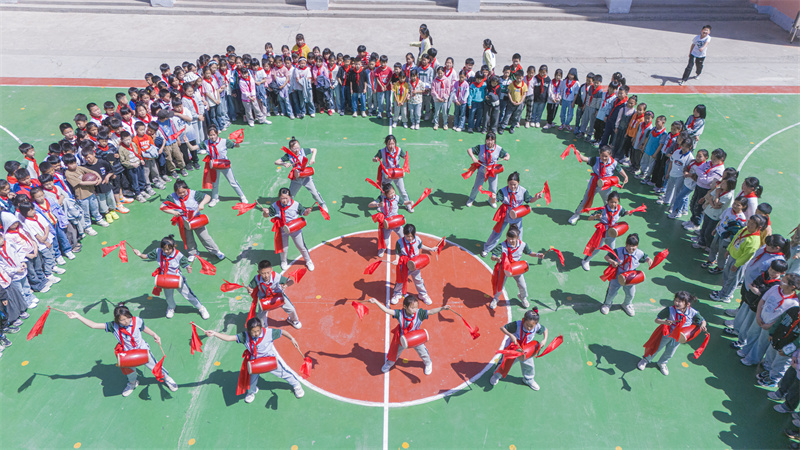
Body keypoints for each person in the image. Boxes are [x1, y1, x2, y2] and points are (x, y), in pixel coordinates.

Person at [65, 305, 179, 396]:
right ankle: (132, 383)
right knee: (130, 371)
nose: (126, 321)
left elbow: (144, 328)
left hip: (142, 350)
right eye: (122, 320)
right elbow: (94, 325)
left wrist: (154, 334)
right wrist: (78, 316)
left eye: (128, 317)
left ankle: (167, 378)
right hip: (127, 354)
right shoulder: (113, 326)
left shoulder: (137, 320)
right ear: (117, 320)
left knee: (155, 366)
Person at [205, 317, 305, 403]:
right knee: (252, 380)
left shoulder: (269, 333)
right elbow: (229, 338)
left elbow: (282, 332)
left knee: (283, 373)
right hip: (255, 362)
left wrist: (292, 338)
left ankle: (296, 385)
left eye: (258, 331)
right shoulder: (244, 336)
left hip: (269, 360)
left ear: (261, 328)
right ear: (249, 330)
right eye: (253, 332)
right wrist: (215, 333)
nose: (256, 333)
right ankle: (251, 392)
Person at [368, 294, 450, 375]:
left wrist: (442, 308)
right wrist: (376, 302)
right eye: (412, 308)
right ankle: (389, 363)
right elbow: (387, 310)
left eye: (416, 307)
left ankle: (428, 363)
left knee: (423, 352)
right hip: (402, 337)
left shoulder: (419, 313)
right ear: (405, 307)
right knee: (395, 353)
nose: (415, 309)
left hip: (415, 337)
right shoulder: (399, 313)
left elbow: (431, 312)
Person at [132, 235, 209, 319]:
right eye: (164, 249)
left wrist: (188, 268)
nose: (166, 251)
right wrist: (139, 254)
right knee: (168, 297)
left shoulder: (178, 255)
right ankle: (171, 307)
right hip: (165, 279)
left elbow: (185, 264)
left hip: (177, 279)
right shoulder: (157, 251)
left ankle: (201, 308)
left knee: (188, 294)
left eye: (168, 249)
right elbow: (146, 256)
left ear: (173, 247)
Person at [637, 291, 707, 376]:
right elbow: (657, 320)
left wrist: (703, 325)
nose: (676, 303)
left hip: (678, 337)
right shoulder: (669, 310)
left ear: (687, 304)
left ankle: (662, 363)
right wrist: (664, 322)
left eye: (679, 301)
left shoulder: (693, 312)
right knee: (656, 347)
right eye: (676, 300)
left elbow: (703, 321)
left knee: (670, 352)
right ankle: (646, 360)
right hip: (667, 333)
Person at [739, 271, 799, 367]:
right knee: (751, 334)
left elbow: (783, 319)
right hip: (760, 318)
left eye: (784, 282)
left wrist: (770, 326)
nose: (781, 282)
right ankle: (745, 351)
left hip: (770, 326)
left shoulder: (794, 303)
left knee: (761, 343)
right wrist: (758, 315)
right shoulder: (775, 288)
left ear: (792, 287)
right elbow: (762, 300)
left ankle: (752, 359)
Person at [160, 179, 225, 261]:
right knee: (188, 239)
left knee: (205, 237)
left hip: (196, 220)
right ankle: (192, 253)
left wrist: (202, 204)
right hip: (183, 222)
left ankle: (216, 251)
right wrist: (173, 212)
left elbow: (207, 197)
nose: (182, 194)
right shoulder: (172, 197)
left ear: (186, 188)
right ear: (175, 191)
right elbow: (162, 207)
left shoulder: (193, 194)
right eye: (179, 193)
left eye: (184, 192)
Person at [482, 172, 543, 256]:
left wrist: (536, 197)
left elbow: (530, 200)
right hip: (504, 215)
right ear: (507, 182)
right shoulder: (502, 191)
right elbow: (495, 201)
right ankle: (487, 249)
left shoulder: (523, 191)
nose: (513, 186)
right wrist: (493, 199)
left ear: (518, 183)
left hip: (517, 216)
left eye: (515, 184)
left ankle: (515, 253)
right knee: (496, 233)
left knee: (517, 236)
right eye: (510, 184)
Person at [710, 214, 767, 303]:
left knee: (732, 279)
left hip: (739, 261)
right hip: (732, 256)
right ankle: (725, 291)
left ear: (759, 227)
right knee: (727, 275)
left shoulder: (754, 240)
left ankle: (725, 296)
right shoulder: (745, 229)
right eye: (749, 222)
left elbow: (747, 255)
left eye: (752, 224)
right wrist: (729, 249)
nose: (749, 224)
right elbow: (735, 239)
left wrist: (737, 264)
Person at [757, 274, 800, 387]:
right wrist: (772, 333)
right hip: (778, 338)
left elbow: (798, 340)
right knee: (771, 355)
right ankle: (768, 371)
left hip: (788, 344)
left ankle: (774, 379)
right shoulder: (794, 309)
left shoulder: (795, 305)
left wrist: (788, 349)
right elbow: (780, 320)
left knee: (780, 363)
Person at [490, 308, 549, 390]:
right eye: (527, 325)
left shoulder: (537, 327)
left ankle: (528, 379)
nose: (529, 328)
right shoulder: (517, 325)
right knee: (504, 363)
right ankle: (497, 375)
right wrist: (511, 335)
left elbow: (545, 330)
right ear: (524, 320)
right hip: (513, 348)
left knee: (529, 366)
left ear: (536, 324)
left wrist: (544, 340)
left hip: (526, 350)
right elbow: (502, 328)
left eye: (531, 326)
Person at [568, 146, 629, 225]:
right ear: (599, 154)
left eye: (606, 156)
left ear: (610, 155)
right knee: (586, 199)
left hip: (606, 186)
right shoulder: (595, 160)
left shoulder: (613, 163)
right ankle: (576, 214)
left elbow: (620, 170)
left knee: (608, 202)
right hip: (594, 184)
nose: (604, 158)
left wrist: (625, 176)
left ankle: (607, 216)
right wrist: (579, 154)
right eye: (602, 155)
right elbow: (584, 159)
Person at [489, 225, 544, 309]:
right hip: (504, 268)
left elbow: (529, 253)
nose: (510, 240)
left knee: (523, 285)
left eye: (512, 239)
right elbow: (493, 256)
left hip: (516, 267)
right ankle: (495, 299)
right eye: (508, 238)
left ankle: (523, 297)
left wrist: (537, 255)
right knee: (499, 285)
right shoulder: (502, 245)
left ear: (517, 237)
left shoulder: (523, 245)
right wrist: (497, 259)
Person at [600, 233, 653, 316]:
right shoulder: (618, 251)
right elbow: (607, 257)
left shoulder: (639, 253)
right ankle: (607, 304)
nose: (631, 248)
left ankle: (626, 304)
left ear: (637, 245)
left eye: (633, 246)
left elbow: (646, 258)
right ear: (626, 244)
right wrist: (612, 261)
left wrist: (649, 259)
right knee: (612, 292)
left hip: (630, 276)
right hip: (618, 274)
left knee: (631, 294)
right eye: (629, 246)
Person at [263, 188, 314, 272]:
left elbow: (304, 213)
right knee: (284, 248)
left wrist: (307, 212)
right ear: (279, 197)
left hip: (295, 229)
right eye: (282, 198)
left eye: (286, 198)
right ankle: (283, 261)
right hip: (282, 229)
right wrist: (266, 213)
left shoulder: (296, 205)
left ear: (290, 197)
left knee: (301, 246)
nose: (284, 200)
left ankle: (308, 261)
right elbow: (267, 215)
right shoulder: (275, 205)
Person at [580, 191, 631, 270]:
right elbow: (589, 218)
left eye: (615, 202)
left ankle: (611, 261)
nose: (613, 204)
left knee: (612, 249)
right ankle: (585, 261)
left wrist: (628, 213)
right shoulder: (602, 210)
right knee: (596, 248)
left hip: (612, 232)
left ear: (618, 202)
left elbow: (623, 213)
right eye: (611, 202)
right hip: (602, 232)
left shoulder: (620, 209)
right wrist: (595, 217)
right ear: (607, 201)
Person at [246, 260, 302, 329]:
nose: (266, 276)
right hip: (264, 298)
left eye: (268, 272)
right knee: (260, 317)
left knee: (291, 309)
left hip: (277, 296)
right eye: (263, 273)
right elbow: (249, 287)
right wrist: (249, 290)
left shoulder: (276, 276)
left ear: (271, 270)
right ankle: (263, 326)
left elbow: (291, 281)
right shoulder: (256, 278)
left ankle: (293, 320)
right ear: (259, 272)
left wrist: (286, 285)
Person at [390, 224, 437, 305]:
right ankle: (397, 294)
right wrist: (397, 260)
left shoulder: (417, 239)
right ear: (404, 234)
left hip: (415, 264)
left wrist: (430, 249)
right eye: (408, 236)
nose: (410, 238)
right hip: (404, 265)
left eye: (412, 236)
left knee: (418, 280)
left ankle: (423, 294)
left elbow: (420, 246)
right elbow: (397, 252)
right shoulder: (399, 242)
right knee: (400, 280)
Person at [277, 138, 327, 212]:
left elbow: (314, 149)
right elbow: (276, 162)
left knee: (315, 194)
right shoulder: (288, 155)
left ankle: (322, 204)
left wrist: (312, 158)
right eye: (294, 149)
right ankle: (287, 206)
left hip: (306, 177)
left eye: (298, 147)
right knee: (291, 195)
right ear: (290, 148)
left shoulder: (303, 151)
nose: (297, 150)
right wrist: (284, 163)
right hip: (296, 178)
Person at [202, 126, 247, 207]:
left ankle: (242, 196)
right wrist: (187, 142)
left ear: (217, 134)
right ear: (208, 135)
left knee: (232, 182)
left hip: (224, 164)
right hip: (214, 166)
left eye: (214, 134)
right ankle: (215, 198)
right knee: (214, 184)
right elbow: (194, 147)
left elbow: (236, 146)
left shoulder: (224, 141)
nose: (212, 137)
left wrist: (238, 141)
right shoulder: (206, 143)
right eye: (211, 135)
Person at [465, 132, 509, 208]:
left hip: (493, 171)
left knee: (493, 188)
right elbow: (469, 150)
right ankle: (471, 199)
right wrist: (473, 157)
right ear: (485, 140)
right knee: (477, 186)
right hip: (482, 170)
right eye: (488, 140)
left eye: (492, 140)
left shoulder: (498, 149)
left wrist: (507, 157)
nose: (489, 142)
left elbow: (507, 155)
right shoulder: (480, 147)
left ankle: (491, 201)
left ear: (494, 140)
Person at [369, 183, 413, 257]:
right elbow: (370, 205)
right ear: (385, 194)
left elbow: (404, 202)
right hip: (387, 223)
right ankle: (382, 249)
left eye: (393, 192)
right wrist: (378, 205)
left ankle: (404, 248)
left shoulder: (397, 198)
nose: (392, 195)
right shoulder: (381, 198)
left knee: (403, 236)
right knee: (385, 241)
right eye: (390, 194)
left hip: (396, 222)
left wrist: (409, 202)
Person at [373, 135, 412, 212]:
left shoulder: (399, 150)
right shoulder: (382, 151)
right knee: (384, 191)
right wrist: (375, 159)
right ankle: (382, 205)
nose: (391, 146)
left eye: (393, 144)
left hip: (397, 173)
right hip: (387, 174)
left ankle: (408, 205)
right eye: (389, 144)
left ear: (395, 143)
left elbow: (404, 156)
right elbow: (375, 157)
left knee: (402, 191)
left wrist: (405, 157)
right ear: (386, 143)